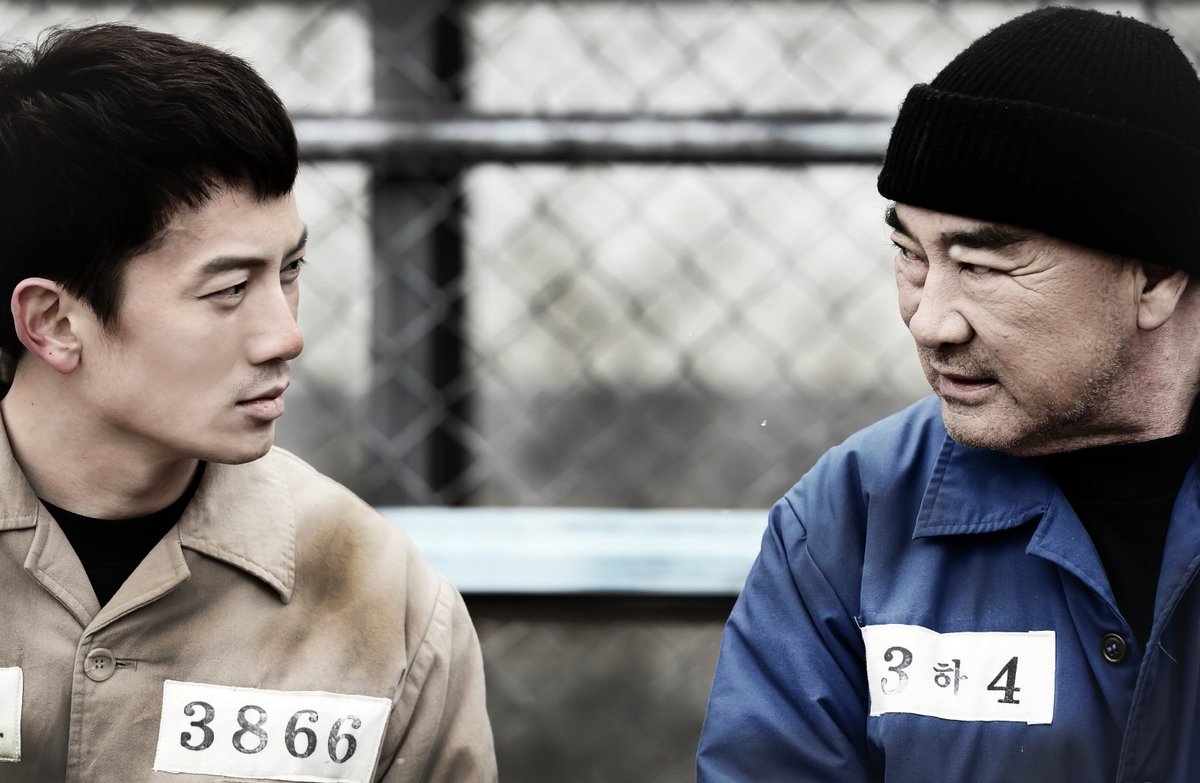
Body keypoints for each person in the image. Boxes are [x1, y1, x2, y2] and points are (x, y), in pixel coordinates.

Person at [697, 7, 1200, 782]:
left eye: (982, 266)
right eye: (910, 254)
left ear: (1157, 278)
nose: (930, 322)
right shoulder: (849, 521)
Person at [0, 22, 495, 782]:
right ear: (55, 323)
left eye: (289, 271)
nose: (285, 335)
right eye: (229, 289)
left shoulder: (385, 602)